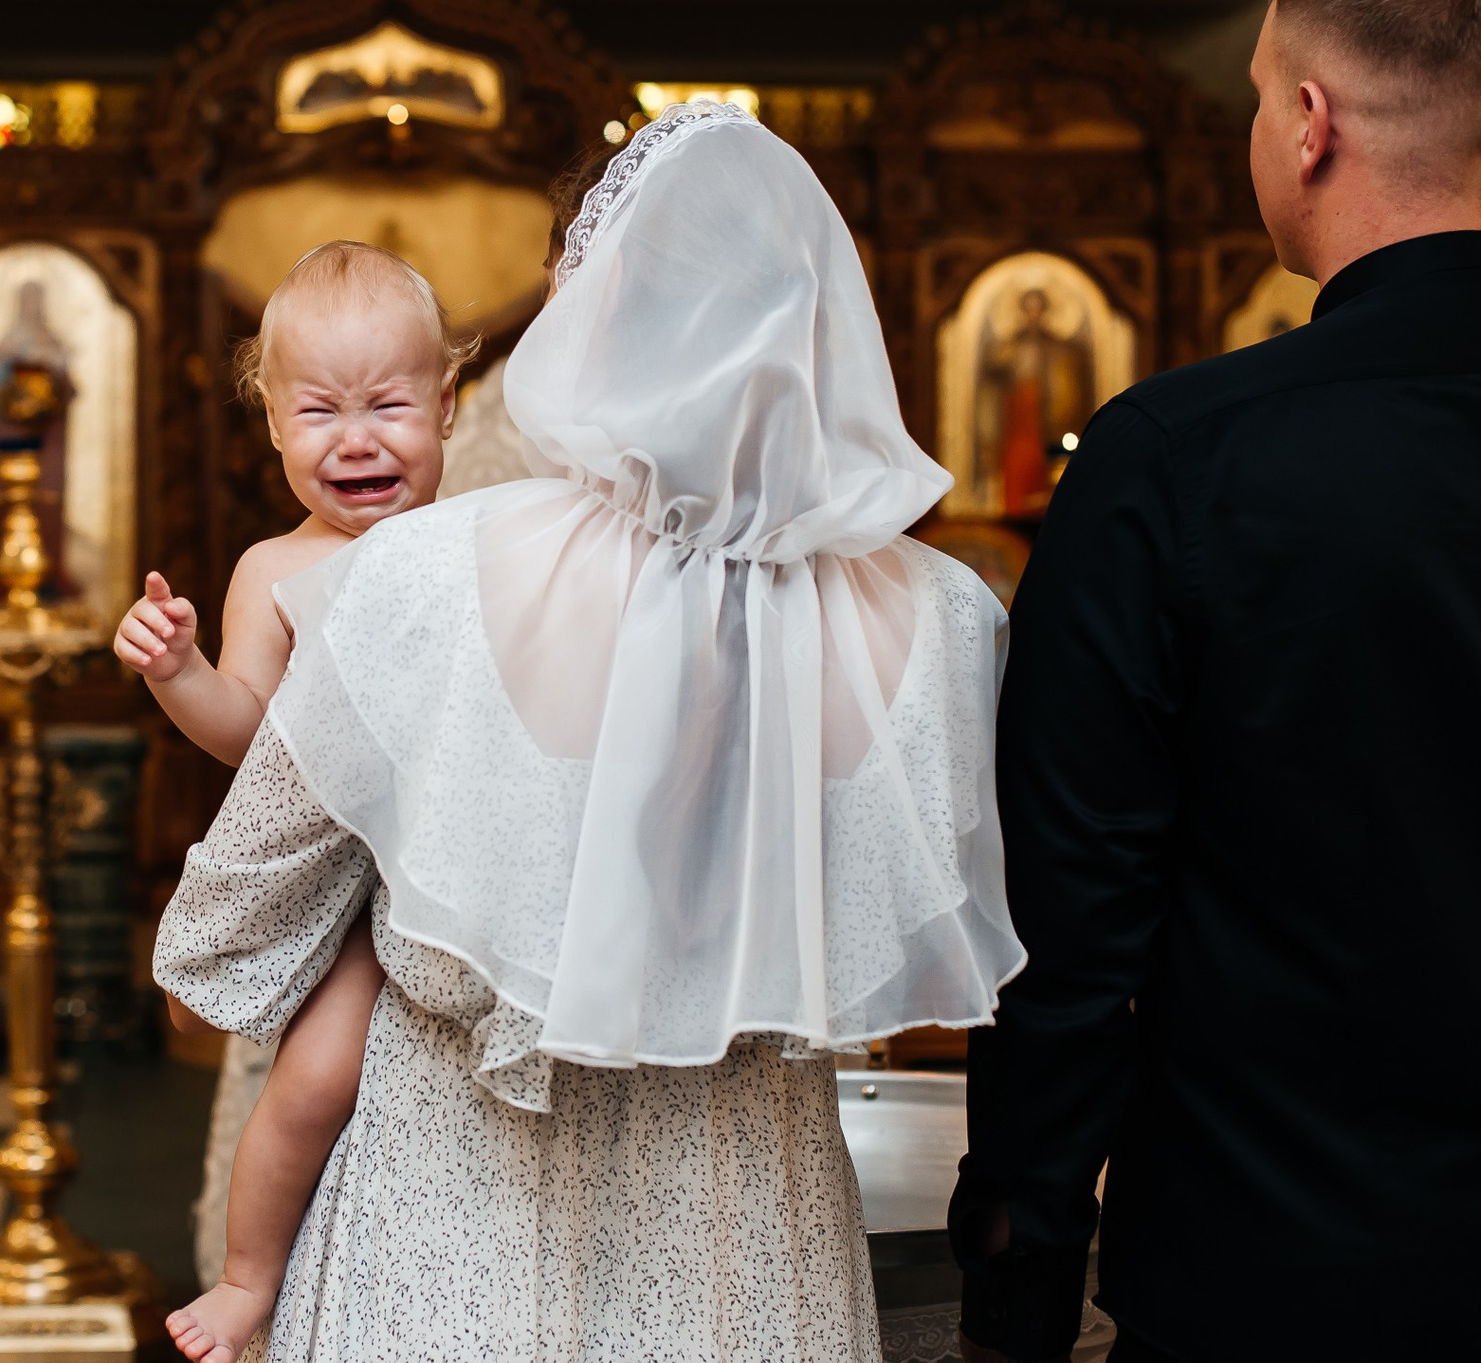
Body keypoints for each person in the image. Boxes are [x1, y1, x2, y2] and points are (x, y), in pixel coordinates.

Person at [156, 101, 1024, 1362]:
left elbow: (222, 961)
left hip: (453, 1247)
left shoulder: (413, 578)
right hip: (751, 1255)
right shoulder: (945, 622)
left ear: (589, 317)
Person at [949, 0, 1481, 1362]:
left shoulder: (1170, 458)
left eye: (1261, 95)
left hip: (1271, 1269)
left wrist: (1020, 1269)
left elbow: (1071, 923)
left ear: (1311, 122)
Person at [113, 240, 468, 1362]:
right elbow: (246, 734)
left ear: (448, 405)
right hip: (347, 874)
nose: (354, 438)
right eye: (317, 411)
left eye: (389, 405)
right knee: (314, 1078)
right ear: (271, 423)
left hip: (464, 857)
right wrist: (180, 675)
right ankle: (246, 1278)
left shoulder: (479, 545)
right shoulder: (273, 568)